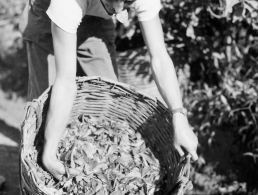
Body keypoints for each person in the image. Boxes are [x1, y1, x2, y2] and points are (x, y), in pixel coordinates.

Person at [19, 0, 198, 180]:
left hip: (95, 20)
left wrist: (178, 115)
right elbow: (65, 80)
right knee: (44, 120)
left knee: (109, 117)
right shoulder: (67, 3)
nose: (121, 11)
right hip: (50, 16)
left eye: (127, 2)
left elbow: (159, 56)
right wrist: (49, 155)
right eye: (116, 1)